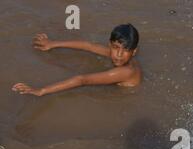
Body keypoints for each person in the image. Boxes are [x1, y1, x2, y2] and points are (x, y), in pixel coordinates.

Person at [11, 23, 141, 96]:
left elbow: (82, 80)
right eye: (116, 47)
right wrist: (53, 43)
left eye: (125, 50)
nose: (118, 54)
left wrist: (41, 90)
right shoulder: (121, 57)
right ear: (110, 44)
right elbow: (88, 46)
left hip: (126, 94)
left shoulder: (125, 71)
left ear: (134, 51)